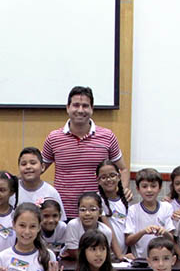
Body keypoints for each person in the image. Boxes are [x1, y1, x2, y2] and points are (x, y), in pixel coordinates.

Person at [42, 86, 129, 217]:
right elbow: (39, 169)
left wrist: (123, 191)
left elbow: (123, 169)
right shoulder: (54, 138)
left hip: (98, 213)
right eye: (76, 105)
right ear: (68, 108)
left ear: (92, 109)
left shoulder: (108, 136)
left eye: (85, 106)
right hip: (64, 213)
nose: (80, 110)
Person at [125, 169, 174, 259]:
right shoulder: (133, 210)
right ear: (138, 189)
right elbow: (128, 241)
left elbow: (172, 240)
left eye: (153, 186)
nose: (149, 190)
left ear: (160, 188)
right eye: (144, 186)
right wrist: (143, 232)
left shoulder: (167, 207)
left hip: (161, 260)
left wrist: (164, 232)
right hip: (139, 260)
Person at [62, 192, 122, 261]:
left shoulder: (106, 231)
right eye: (83, 210)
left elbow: (103, 254)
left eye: (93, 209)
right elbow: (73, 252)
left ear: (100, 212)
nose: (87, 213)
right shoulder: (73, 225)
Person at [16, 147, 66, 218]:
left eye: (33, 163)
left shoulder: (51, 192)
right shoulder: (12, 190)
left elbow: (61, 222)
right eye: (23, 164)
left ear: (42, 167)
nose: (28, 167)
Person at [97, 160, 131, 256]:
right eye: (103, 177)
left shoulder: (125, 200)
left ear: (119, 177)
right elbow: (109, 230)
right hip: (105, 255)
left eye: (112, 175)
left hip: (124, 254)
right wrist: (119, 255)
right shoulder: (97, 201)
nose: (108, 180)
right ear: (98, 180)